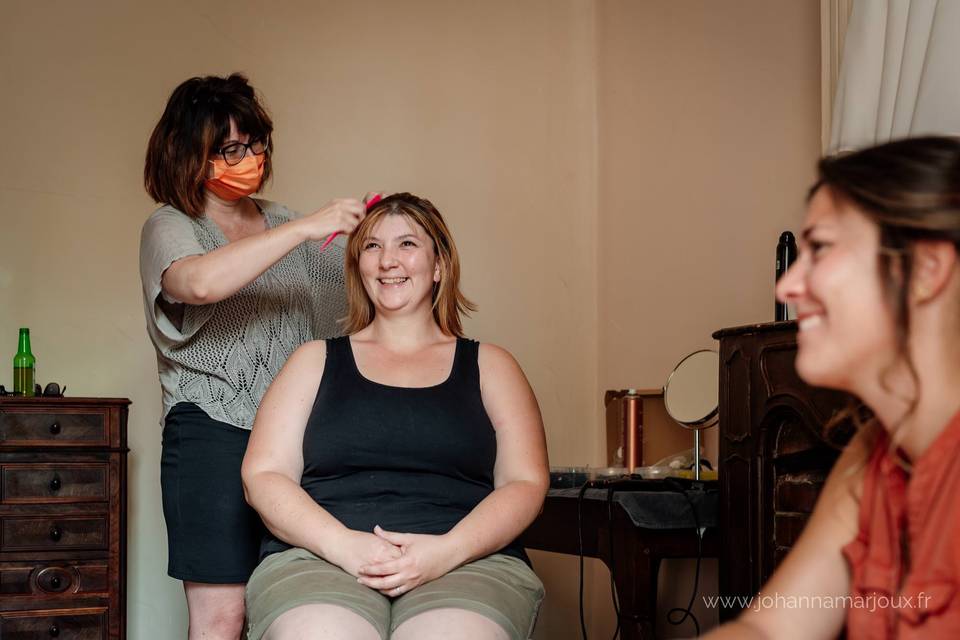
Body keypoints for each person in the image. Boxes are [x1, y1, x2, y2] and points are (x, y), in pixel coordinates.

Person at [241, 193, 550, 640]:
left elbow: (525, 483)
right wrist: (345, 546)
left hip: (466, 560)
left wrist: (446, 553)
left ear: (439, 264)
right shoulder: (312, 361)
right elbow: (264, 474)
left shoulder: (493, 366)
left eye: (407, 244)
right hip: (321, 557)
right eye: (371, 246)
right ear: (358, 265)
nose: (388, 260)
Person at [139, 73, 368, 640]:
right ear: (189, 152)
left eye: (256, 144)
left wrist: (386, 243)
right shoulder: (172, 225)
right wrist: (305, 229)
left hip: (297, 441)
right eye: (231, 149)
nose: (250, 159)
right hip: (210, 435)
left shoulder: (292, 224)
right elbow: (198, 284)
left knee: (303, 605)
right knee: (222, 619)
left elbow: (360, 309)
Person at [703, 136, 960, 639]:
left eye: (819, 248)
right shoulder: (870, 459)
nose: (787, 287)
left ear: (927, 269)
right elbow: (769, 630)